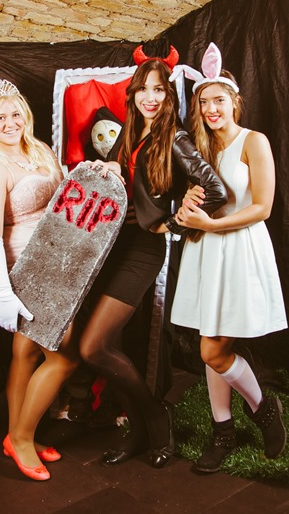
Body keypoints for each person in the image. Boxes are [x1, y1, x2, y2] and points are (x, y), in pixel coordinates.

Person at [79, 48, 228, 468]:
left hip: (142, 250)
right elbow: (120, 176)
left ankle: (154, 417)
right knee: (111, 344)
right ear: (133, 94)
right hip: (110, 246)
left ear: (169, 95)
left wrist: (174, 224)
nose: (150, 97)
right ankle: (140, 431)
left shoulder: (174, 138)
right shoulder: (129, 131)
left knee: (93, 347)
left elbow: (215, 189)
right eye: (143, 89)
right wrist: (108, 167)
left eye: (159, 90)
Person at [170, 42, 288, 472]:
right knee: (211, 339)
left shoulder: (253, 141)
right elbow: (196, 199)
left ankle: (263, 408)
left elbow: (263, 207)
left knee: (212, 349)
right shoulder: (199, 148)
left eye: (218, 100)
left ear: (235, 101)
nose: (211, 109)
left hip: (239, 248)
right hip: (207, 251)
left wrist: (211, 226)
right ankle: (223, 430)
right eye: (204, 102)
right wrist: (186, 209)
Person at [0, 76, 80, 482]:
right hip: (25, 272)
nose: (9, 123)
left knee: (26, 353)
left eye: (15, 114)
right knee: (65, 355)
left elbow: (66, 201)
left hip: (60, 264)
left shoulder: (41, 151)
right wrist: (3, 293)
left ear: (26, 115)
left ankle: (14, 436)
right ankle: (21, 438)